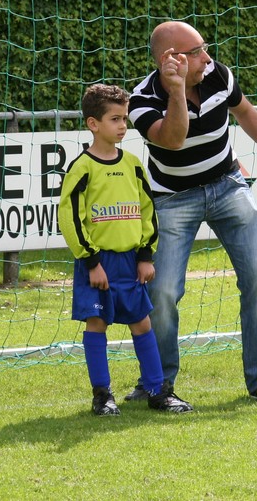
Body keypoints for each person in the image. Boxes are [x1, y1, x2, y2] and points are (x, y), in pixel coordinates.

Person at [125, 21, 257, 408]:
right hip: (172, 199)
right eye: (196, 52)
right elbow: (173, 139)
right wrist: (176, 91)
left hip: (228, 185)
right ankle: (158, 384)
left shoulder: (218, 74)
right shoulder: (142, 100)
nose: (207, 58)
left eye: (204, 48)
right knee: (162, 292)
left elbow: (245, 112)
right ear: (170, 59)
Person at [58, 83, 193, 415]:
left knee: (142, 323)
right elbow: (70, 217)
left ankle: (157, 391)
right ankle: (102, 395)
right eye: (115, 119)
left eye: (124, 118)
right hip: (98, 263)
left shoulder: (132, 164)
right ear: (93, 124)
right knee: (97, 323)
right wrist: (91, 262)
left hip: (131, 263)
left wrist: (146, 256)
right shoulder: (82, 168)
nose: (122, 126)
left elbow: (148, 211)